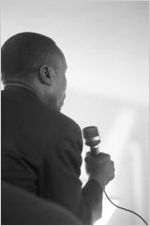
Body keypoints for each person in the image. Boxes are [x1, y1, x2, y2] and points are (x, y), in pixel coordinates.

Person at [1, 32, 115, 224]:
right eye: (64, 73)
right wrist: (98, 178)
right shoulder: (61, 130)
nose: (65, 88)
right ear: (46, 74)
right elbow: (74, 220)